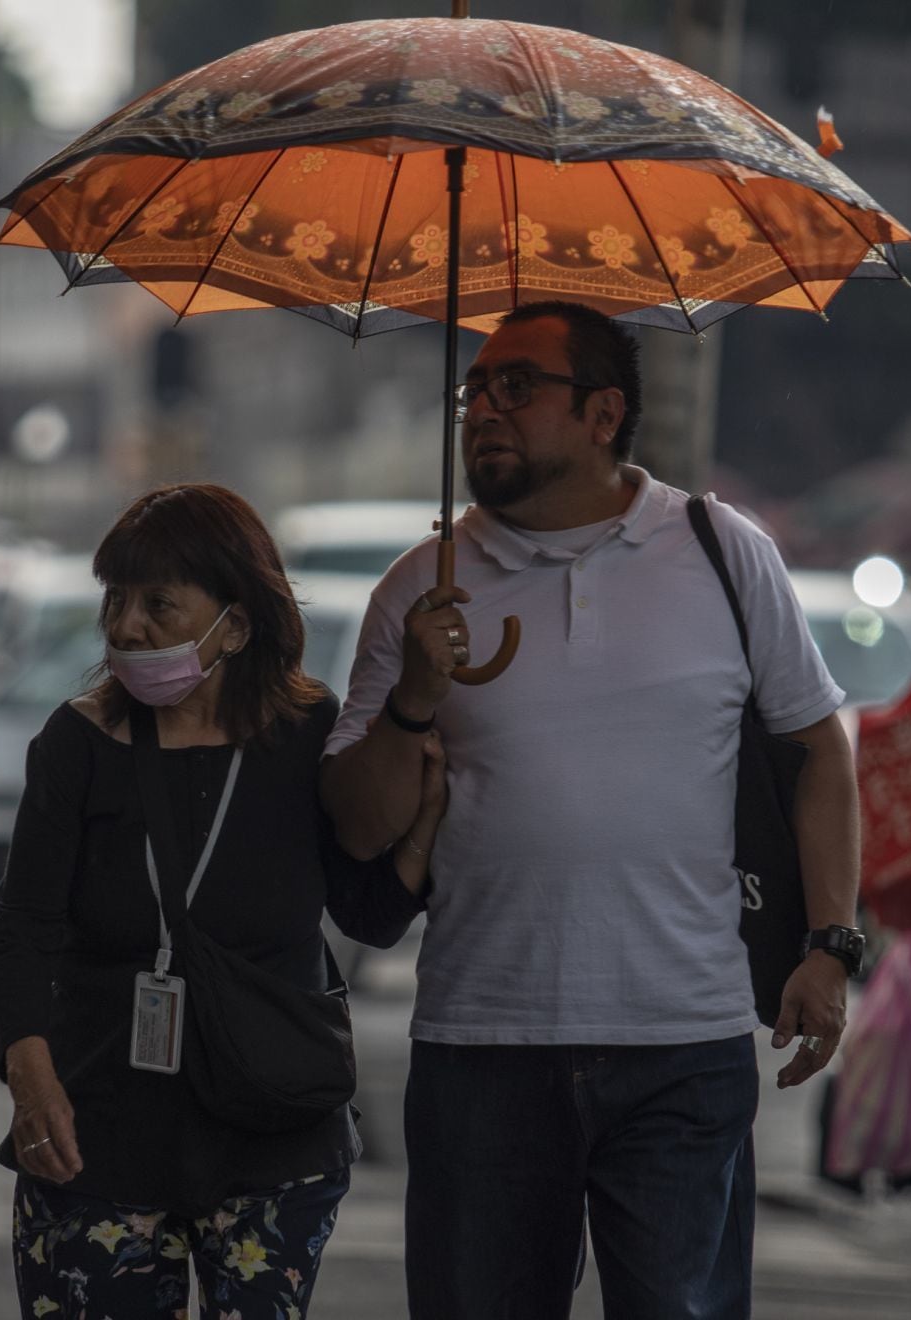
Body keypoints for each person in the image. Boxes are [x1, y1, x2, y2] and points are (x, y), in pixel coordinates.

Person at [319, 301, 863, 1319]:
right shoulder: (417, 591)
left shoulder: (720, 551)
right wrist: (414, 701)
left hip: (683, 1043)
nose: (484, 409)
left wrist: (831, 943)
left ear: (606, 413)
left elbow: (818, 746)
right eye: (474, 390)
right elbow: (356, 825)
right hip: (482, 1045)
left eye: (518, 386)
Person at [0, 483, 445, 1320]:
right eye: (116, 600)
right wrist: (29, 1074)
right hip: (103, 1123)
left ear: (234, 623)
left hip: (271, 1127)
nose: (127, 627)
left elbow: (366, 915)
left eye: (160, 604)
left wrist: (421, 827)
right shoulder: (76, 743)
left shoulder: (308, 734)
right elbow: (24, 925)